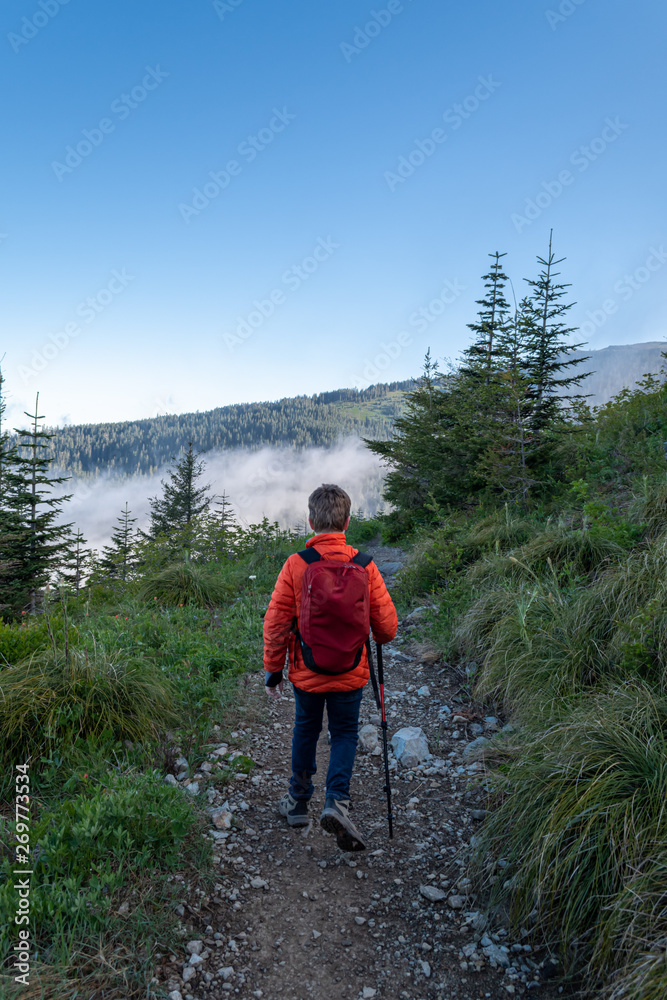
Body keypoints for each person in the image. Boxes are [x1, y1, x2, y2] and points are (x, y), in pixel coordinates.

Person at [263, 484, 398, 851]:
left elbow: (276, 622)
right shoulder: (365, 566)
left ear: (310, 521)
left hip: (307, 671)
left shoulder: (297, 564)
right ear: (348, 522)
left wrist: (273, 669)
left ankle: (297, 802)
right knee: (344, 734)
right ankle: (337, 801)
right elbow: (387, 630)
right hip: (350, 671)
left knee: (305, 729)